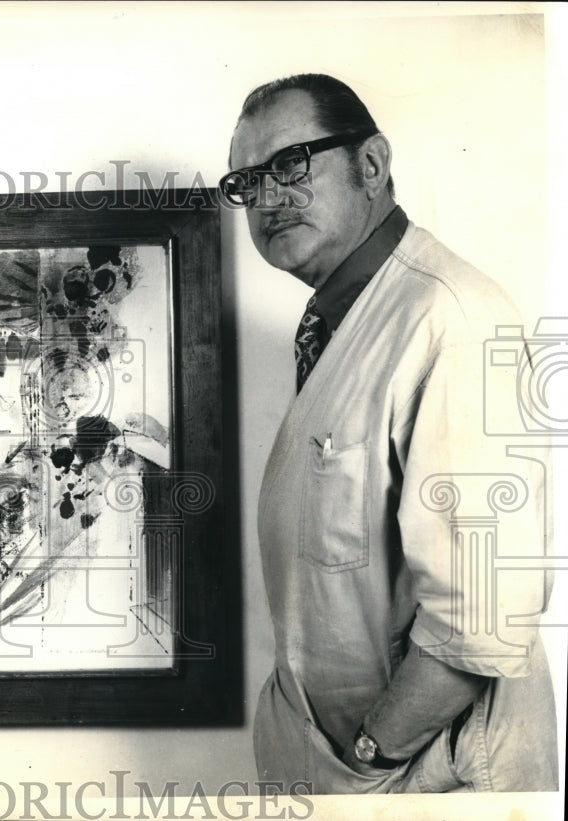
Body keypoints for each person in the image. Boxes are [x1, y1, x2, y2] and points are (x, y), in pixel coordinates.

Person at [223, 74, 558, 793]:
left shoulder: (452, 318)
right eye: (248, 180)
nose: (267, 197)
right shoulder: (343, 317)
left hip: (424, 773)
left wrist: (373, 752)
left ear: (371, 165)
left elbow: (481, 618)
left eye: (290, 163)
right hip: (349, 769)